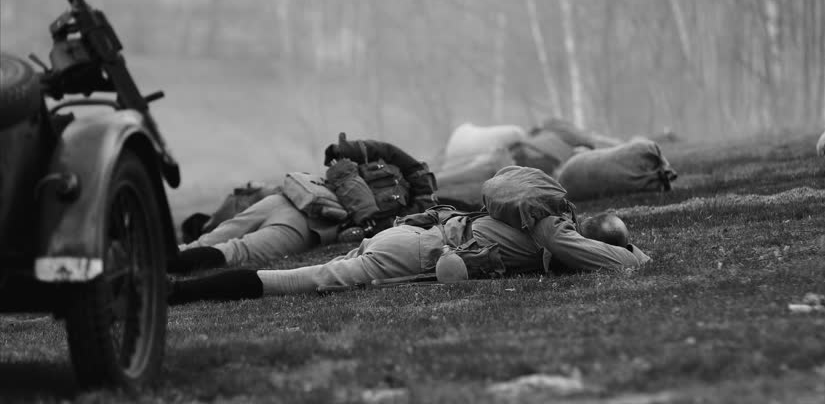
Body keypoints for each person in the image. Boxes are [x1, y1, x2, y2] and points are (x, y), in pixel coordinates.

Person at [168, 166, 651, 304]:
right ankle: (174, 293)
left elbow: (593, 250)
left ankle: (171, 281)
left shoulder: (534, 217)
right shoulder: (552, 230)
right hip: (419, 251)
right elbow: (614, 261)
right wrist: (637, 257)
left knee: (261, 257)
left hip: (414, 235)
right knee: (298, 280)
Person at [168, 137, 437, 274]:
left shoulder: (413, 209)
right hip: (297, 200)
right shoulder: (394, 164)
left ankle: (159, 266)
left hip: (311, 219)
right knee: (215, 244)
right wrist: (345, 149)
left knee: (232, 250)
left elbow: (396, 225)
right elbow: (386, 151)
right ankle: (154, 262)